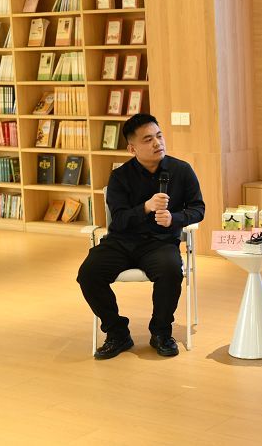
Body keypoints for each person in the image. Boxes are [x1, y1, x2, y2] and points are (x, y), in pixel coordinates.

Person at [77, 114, 205, 359]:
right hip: (122, 242)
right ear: (132, 148)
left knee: (171, 270)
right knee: (89, 273)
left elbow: (198, 208)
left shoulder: (181, 170)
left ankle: (161, 333)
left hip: (160, 243)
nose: (157, 143)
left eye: (159, 136)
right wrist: (146, 207)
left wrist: (174, 218)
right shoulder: (120, 176)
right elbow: (119, 220)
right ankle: (117, 333)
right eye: (148, 139)